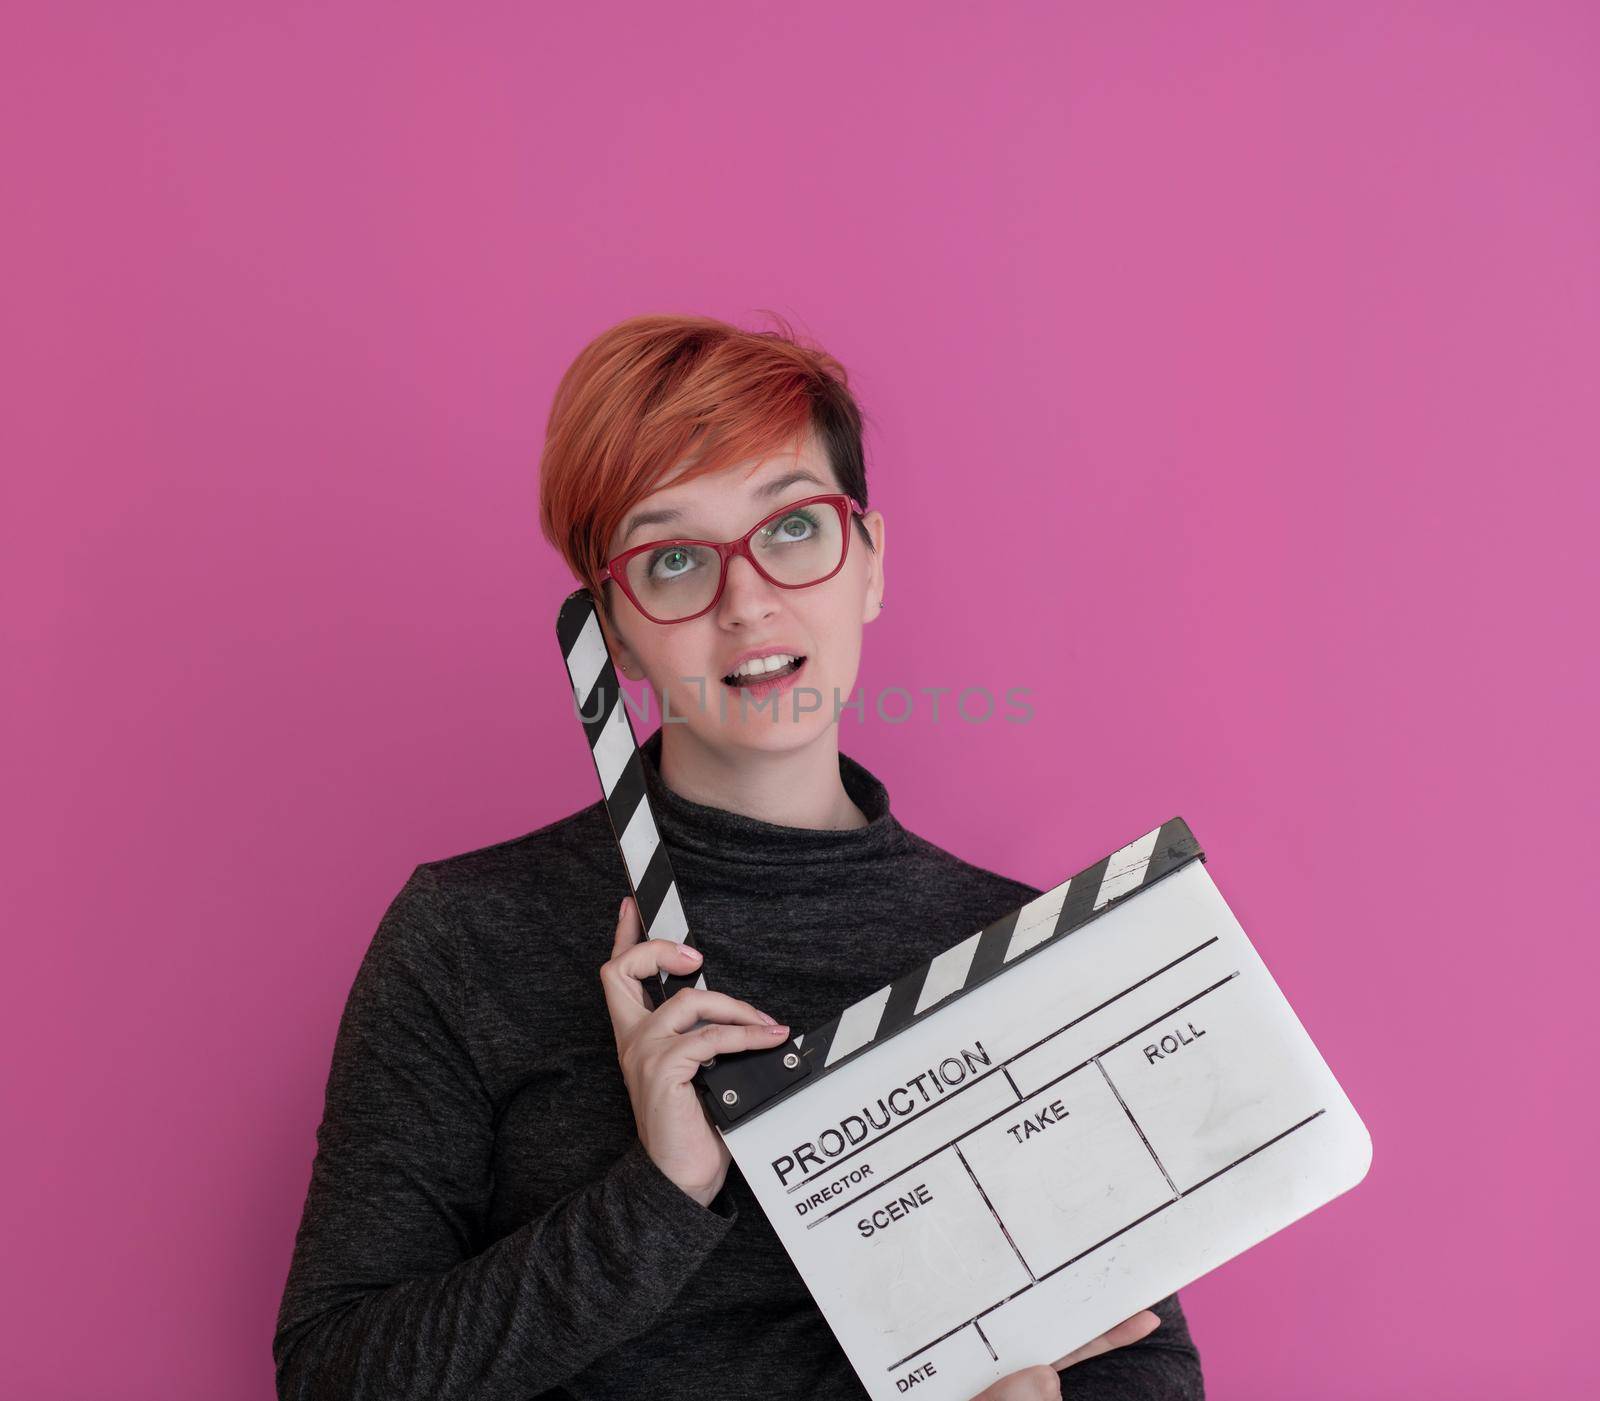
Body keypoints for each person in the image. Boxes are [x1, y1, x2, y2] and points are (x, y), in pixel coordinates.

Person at [273, 312, 1206, 1400]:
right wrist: (660, 1193)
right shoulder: (468, 936)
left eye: (794, 528)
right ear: (613, 631)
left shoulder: (1022, 949)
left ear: (869, 564)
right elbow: (333, 1378)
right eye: (673, 559)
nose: (748, 600)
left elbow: (1141, 1363)